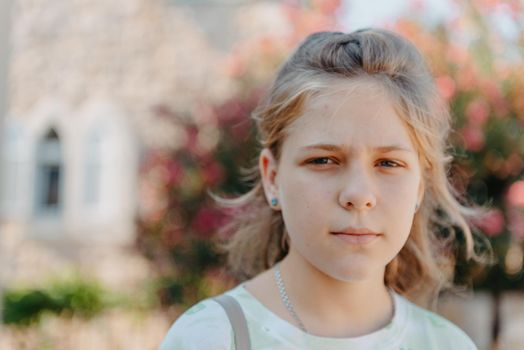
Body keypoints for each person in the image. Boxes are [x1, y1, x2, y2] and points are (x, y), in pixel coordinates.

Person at [159, 28, 492, 349]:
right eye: (323, 161)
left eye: (388, 163)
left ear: (420, 185)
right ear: (272, 177)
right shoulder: (212, 338)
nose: (359, 195)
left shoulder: (447, 344)